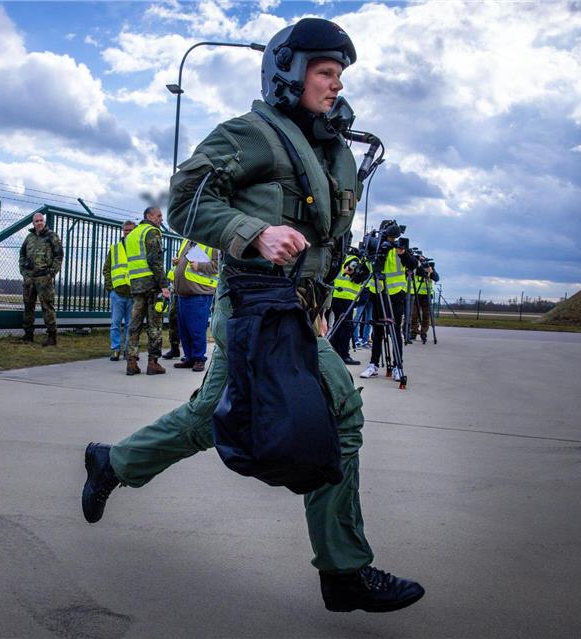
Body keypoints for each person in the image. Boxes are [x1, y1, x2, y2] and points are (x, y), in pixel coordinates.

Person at [81, 19, 424, 613]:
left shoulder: (325, 149)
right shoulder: (251, 135)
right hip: (253, 301)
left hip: (293, 307)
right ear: (288, 71)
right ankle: (343, 569)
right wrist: (254, 232)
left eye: (340, 75)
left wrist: (316, 305)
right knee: (340, 406)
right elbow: (185, 199)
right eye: (325, 71)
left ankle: (113, 462)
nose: (335, 85)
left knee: (209, 415)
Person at [360, 225, 420, 381]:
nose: (390, 240)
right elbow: (368, 267)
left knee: (394, 332)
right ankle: (373, 364)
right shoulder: (374, 247)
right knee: (378, 331)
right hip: (377, 293)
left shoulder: (398, 248)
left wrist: (403, 253)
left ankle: (397, 367)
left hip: (395, 296)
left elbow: (413, 265)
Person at [123, 206, 170, 375]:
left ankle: (131, 362)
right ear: (149, 216)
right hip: (151, 285)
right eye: (158, 216)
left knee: (134, 324)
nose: (161, 219)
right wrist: (164, 285)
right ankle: (153, 362)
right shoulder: (151, 232)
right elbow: (154, 261)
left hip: (136, 285)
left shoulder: (132, 234)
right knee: (155, 324)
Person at [170, 239, 218, 372]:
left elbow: (218, 266)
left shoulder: (213, 243)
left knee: (196, 329)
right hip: (182, 293)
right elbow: (186, 263)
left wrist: (200, 266)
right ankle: (189, 357)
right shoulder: (187, 241)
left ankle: (199, 359)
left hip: (199, 292)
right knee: (184, 329)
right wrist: (178, 263)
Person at [19, 212, 63, 346]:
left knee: (47, 306)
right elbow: (22, 255)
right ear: (33, 223)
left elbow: (59, 256)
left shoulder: (52, 236)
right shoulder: (29, 237)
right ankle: (28, 334)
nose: (39, 223)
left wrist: (51, 273)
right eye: (36, 221)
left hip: (44, 278)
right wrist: (24, 272)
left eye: (41, 220)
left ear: (44, 222)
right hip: (30, 278)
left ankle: (51, 336)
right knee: (28, 306)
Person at [103, 220, 136, 360]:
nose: (128, 233)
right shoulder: (115, 248)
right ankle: (115, 349)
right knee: (115, 323)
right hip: (117, 293)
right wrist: (110, 288)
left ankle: (128, 350)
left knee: (130, 324)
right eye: (126, 230)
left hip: (133, 293)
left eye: (130, 230)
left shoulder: (138, 249)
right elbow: (107, 269)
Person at [327, 251, 361, 365]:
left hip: (337, 295)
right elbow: (352, 273)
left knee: (338, 324)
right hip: (346, 297)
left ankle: (334, 352)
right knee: (346, 326)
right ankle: (343, 354)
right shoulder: (355, 259)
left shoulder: (342, 256)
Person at [409, 258, 439, 344]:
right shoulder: (416, 267)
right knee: (413, 315)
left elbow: (436, 278)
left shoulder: (429, 268)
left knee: (426, 315)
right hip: (416, 293)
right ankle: (413, 332)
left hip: (427, 294)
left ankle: (423, 332)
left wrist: (431, 271)